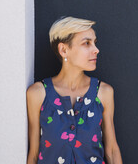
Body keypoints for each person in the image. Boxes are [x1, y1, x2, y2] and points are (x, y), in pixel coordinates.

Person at [26, 16, 123, 164]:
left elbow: (112, 150)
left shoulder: (103, 92)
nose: (96, 50)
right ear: (64, 50)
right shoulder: (38, 94)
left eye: (95, 43)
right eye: (86, 43)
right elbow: (33, 154)